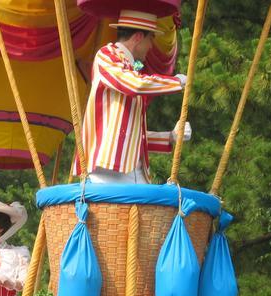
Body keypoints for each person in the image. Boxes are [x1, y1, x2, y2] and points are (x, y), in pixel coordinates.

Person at [73, 9, 192, 184]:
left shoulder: (130, 69)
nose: (151, 46)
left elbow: (130, 135)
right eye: (151, 39)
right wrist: (177, 82)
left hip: (131, 169)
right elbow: (135, 85)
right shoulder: (106, 56)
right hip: (108, 166)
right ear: (138, 37)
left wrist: (170, 136)